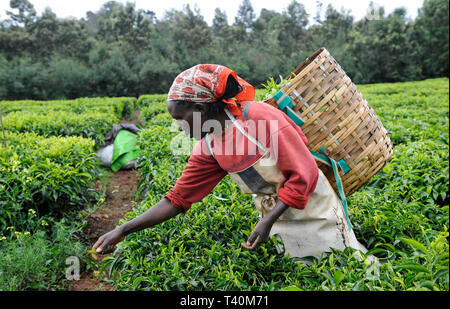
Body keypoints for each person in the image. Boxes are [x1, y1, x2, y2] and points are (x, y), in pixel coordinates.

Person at [93, 64, 368, 260]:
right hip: (275, 219)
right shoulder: (209, 146)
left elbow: (305, 172)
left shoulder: (259, 117)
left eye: (180, 118)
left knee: (342, 265)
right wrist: (123, 229)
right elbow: (177, 199)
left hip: (314, 209)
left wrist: (269, 219)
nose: (179, 127)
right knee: (302, 274)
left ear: (200, 109)